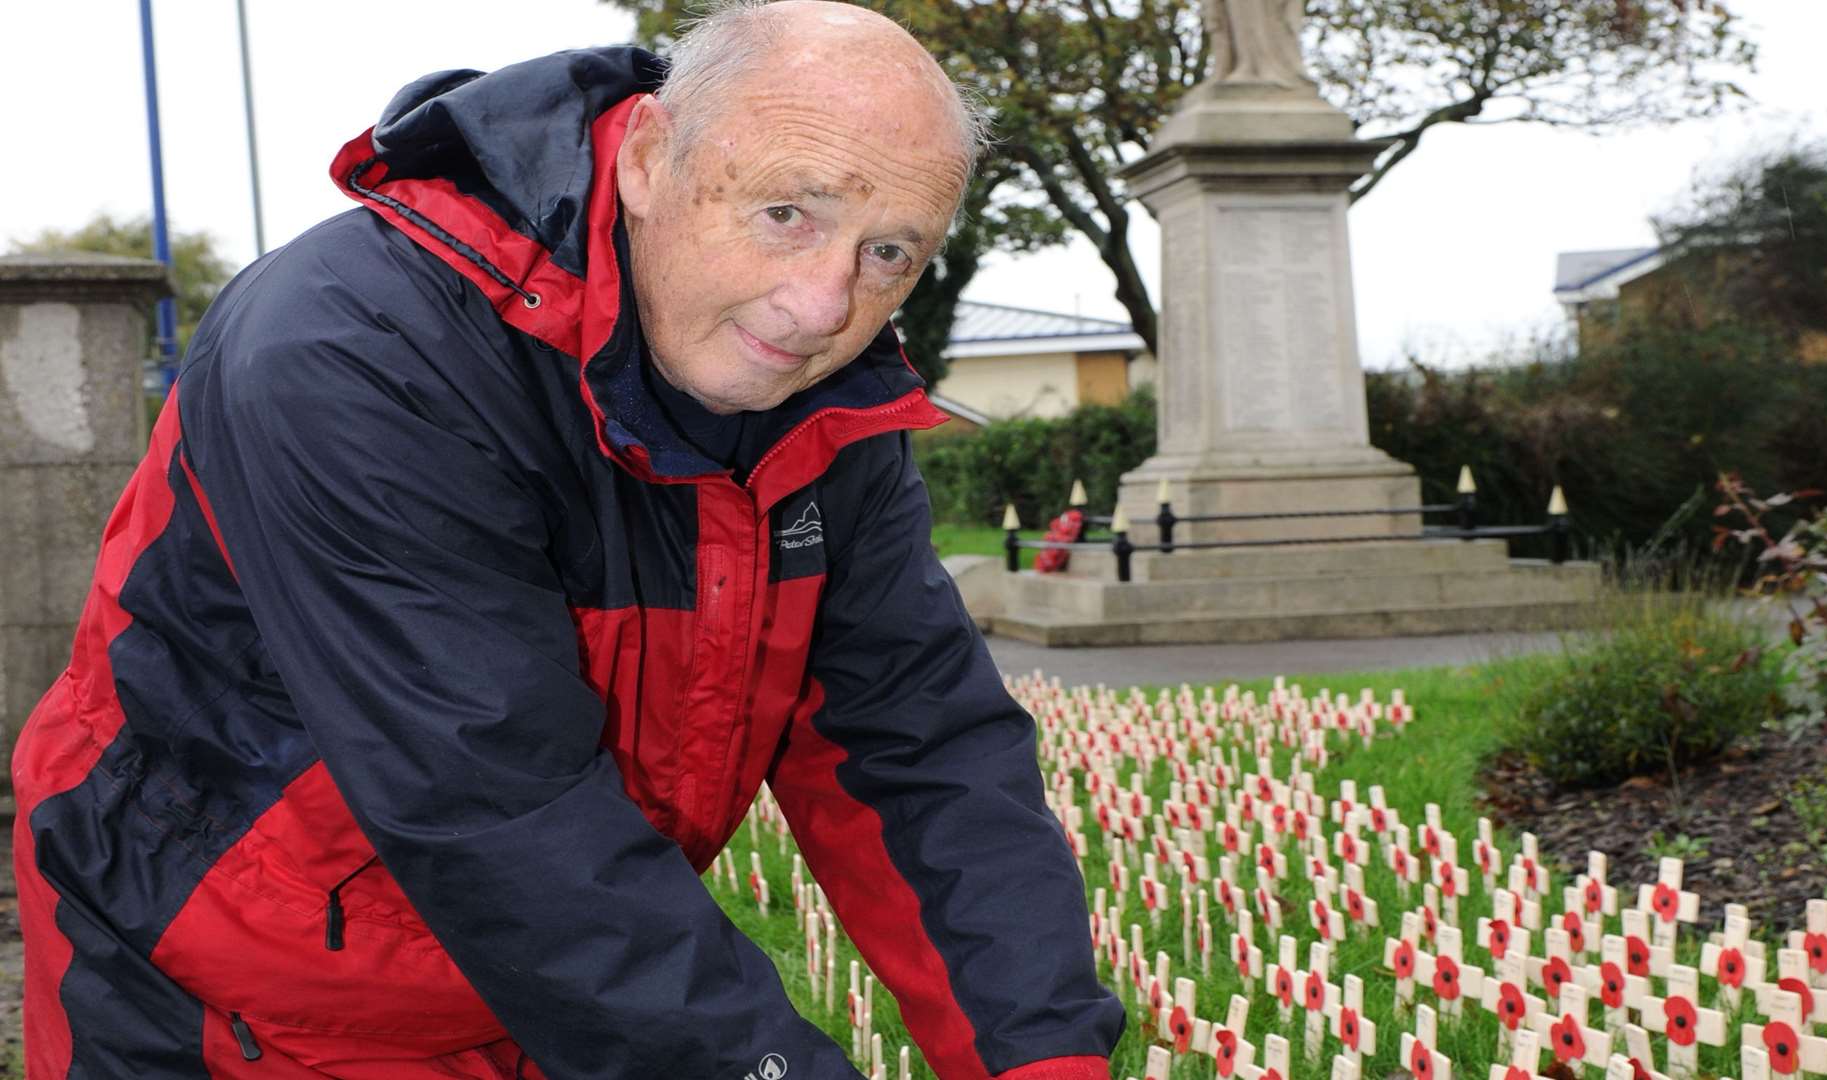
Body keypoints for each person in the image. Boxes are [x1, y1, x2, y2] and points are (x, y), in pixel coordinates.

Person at [10, 2, 1125, 1076]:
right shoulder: (354, 349)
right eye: (789, 213)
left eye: (890, 253)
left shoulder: (821, 403)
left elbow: (914, 743)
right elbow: (493, 803)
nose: (824, 304)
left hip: (563, 988)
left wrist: (1047, 1059)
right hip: (234, 992)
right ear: (647, 159)